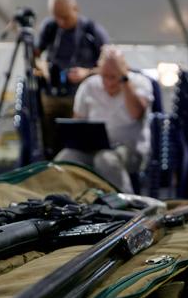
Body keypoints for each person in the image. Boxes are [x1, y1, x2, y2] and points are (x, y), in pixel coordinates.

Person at [55, 45, 153, 193]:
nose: (109, 82)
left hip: (130, 149)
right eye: (104, 76)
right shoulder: (89, 85)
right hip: (93, 148)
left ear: (124, 71)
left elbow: (136, 113)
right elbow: (78, 122)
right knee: (65, 158)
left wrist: (124, 80)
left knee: (106, 160)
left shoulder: (140, 83)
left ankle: (126, 204)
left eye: (114, 76)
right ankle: (68, 203)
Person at [35, 0, 109, 158]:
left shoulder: (92, 30)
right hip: (52, 95)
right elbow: (35, 55)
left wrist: (87, 73)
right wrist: (42, 66)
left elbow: (111, 64)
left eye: (65, 17)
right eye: (56, 17)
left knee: (76, 144)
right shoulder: (50, 27)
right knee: (48, 140)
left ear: (75, 8)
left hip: (81, 96)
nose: (61, 22)